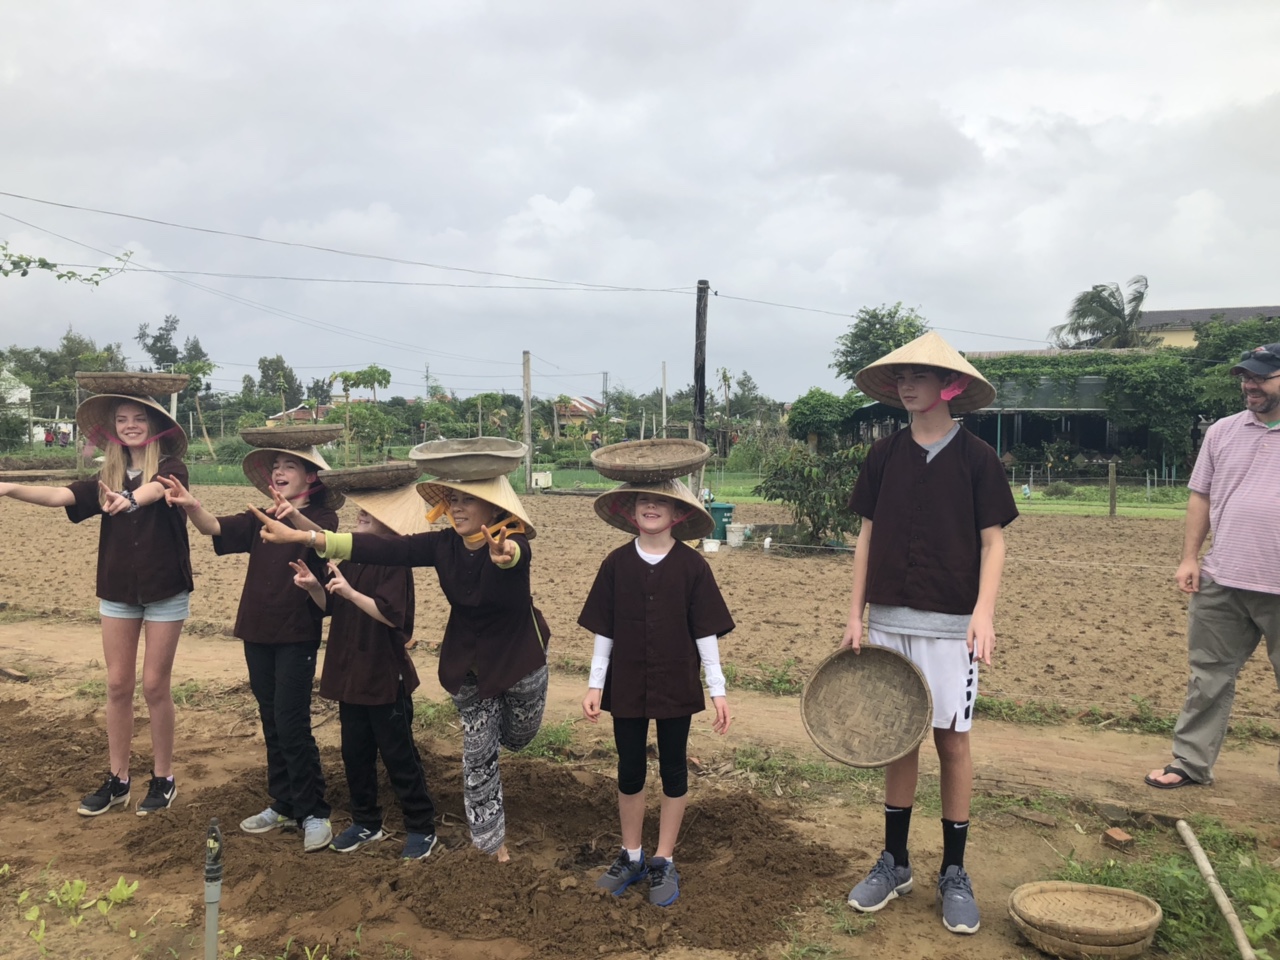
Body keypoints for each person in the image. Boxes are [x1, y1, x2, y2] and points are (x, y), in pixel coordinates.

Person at [255, 468, 549, 862]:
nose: (457, 509)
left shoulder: (510, 543)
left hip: (519, 662)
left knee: (517, 738)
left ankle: (497, 740)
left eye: (468, 500)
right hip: (469, 667)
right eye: (454, 500)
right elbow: (383, 549)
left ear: (493, 508)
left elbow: (516, 557)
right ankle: (491, 845)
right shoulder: (444, 544)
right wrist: (306, 537)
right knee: (478, 755)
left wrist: (507, 555)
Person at [841, 332, 1017, 936]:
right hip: (890, 619)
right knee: (898, 739)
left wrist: (983, 613)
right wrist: (854, 614)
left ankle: (955, 871)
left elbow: (994, 542)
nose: (906, 385)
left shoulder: (977, 459)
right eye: (900, 377)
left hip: (949, 628)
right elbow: (865, 536)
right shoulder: (884, 455)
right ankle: (895, 862)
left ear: (951, 386)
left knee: (951, 741)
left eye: (919, 375)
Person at [0, 391, 192, 817]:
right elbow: (60, 496)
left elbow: (157, 492)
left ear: (154, 426)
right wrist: (9, 487)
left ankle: (164, 778)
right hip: (119, 593)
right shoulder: (106, 477)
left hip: (166, 592)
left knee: (155, 686)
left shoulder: (172, 470)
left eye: (138, 418)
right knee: (117, 685)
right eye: (122, 419)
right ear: (113, 430)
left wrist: (128, 499)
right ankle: (118, 779)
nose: (130, 424)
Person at [159, 443, 339, 853]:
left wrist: (292, 516)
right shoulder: (260, 518)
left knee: (292, 722)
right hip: (257, 630)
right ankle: (284, 802)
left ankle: (314, 812)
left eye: (288, 466)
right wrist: (190, 505)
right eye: (275, 466)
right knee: (271, 719)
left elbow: (323, 538)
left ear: (310, 477)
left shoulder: (322, 518)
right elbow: (214, 528)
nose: (278, 472)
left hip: (297, 632)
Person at [579, 478, 734, 907]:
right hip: (625, 680)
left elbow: (706, 634)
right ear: (631, 511)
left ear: (678, 514)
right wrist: (596, 684)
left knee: (673, 768)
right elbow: (604, 630)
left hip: (675, 680)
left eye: (661, 502)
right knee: (629, 768)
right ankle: (631, 855)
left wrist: (717, 690)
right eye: (643, 500)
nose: (651, 507)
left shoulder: (692, 567)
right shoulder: (615, 565)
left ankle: (663, 858)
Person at [275, 477, 440, 860]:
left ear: (391, 524)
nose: (362, 514)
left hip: (383, 674)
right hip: (350, 671)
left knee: (398, 754)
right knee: (355, 753)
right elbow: (329, 607)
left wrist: (350, 592)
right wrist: (313, 587)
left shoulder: (396, 563)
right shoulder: (351, 557)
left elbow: (392, 617)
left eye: (373, 512)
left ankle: (421, 826)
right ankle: (366, 822)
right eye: (362, 509)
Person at [1144, 343, 1280, 789]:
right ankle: (1190, 763)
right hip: (1222, 578)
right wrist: (1189, 557)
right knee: (1209, 676)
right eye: (1245, 376)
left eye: (1260, 377)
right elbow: (1200, 494)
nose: (1249, 385)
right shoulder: (1222, 431)